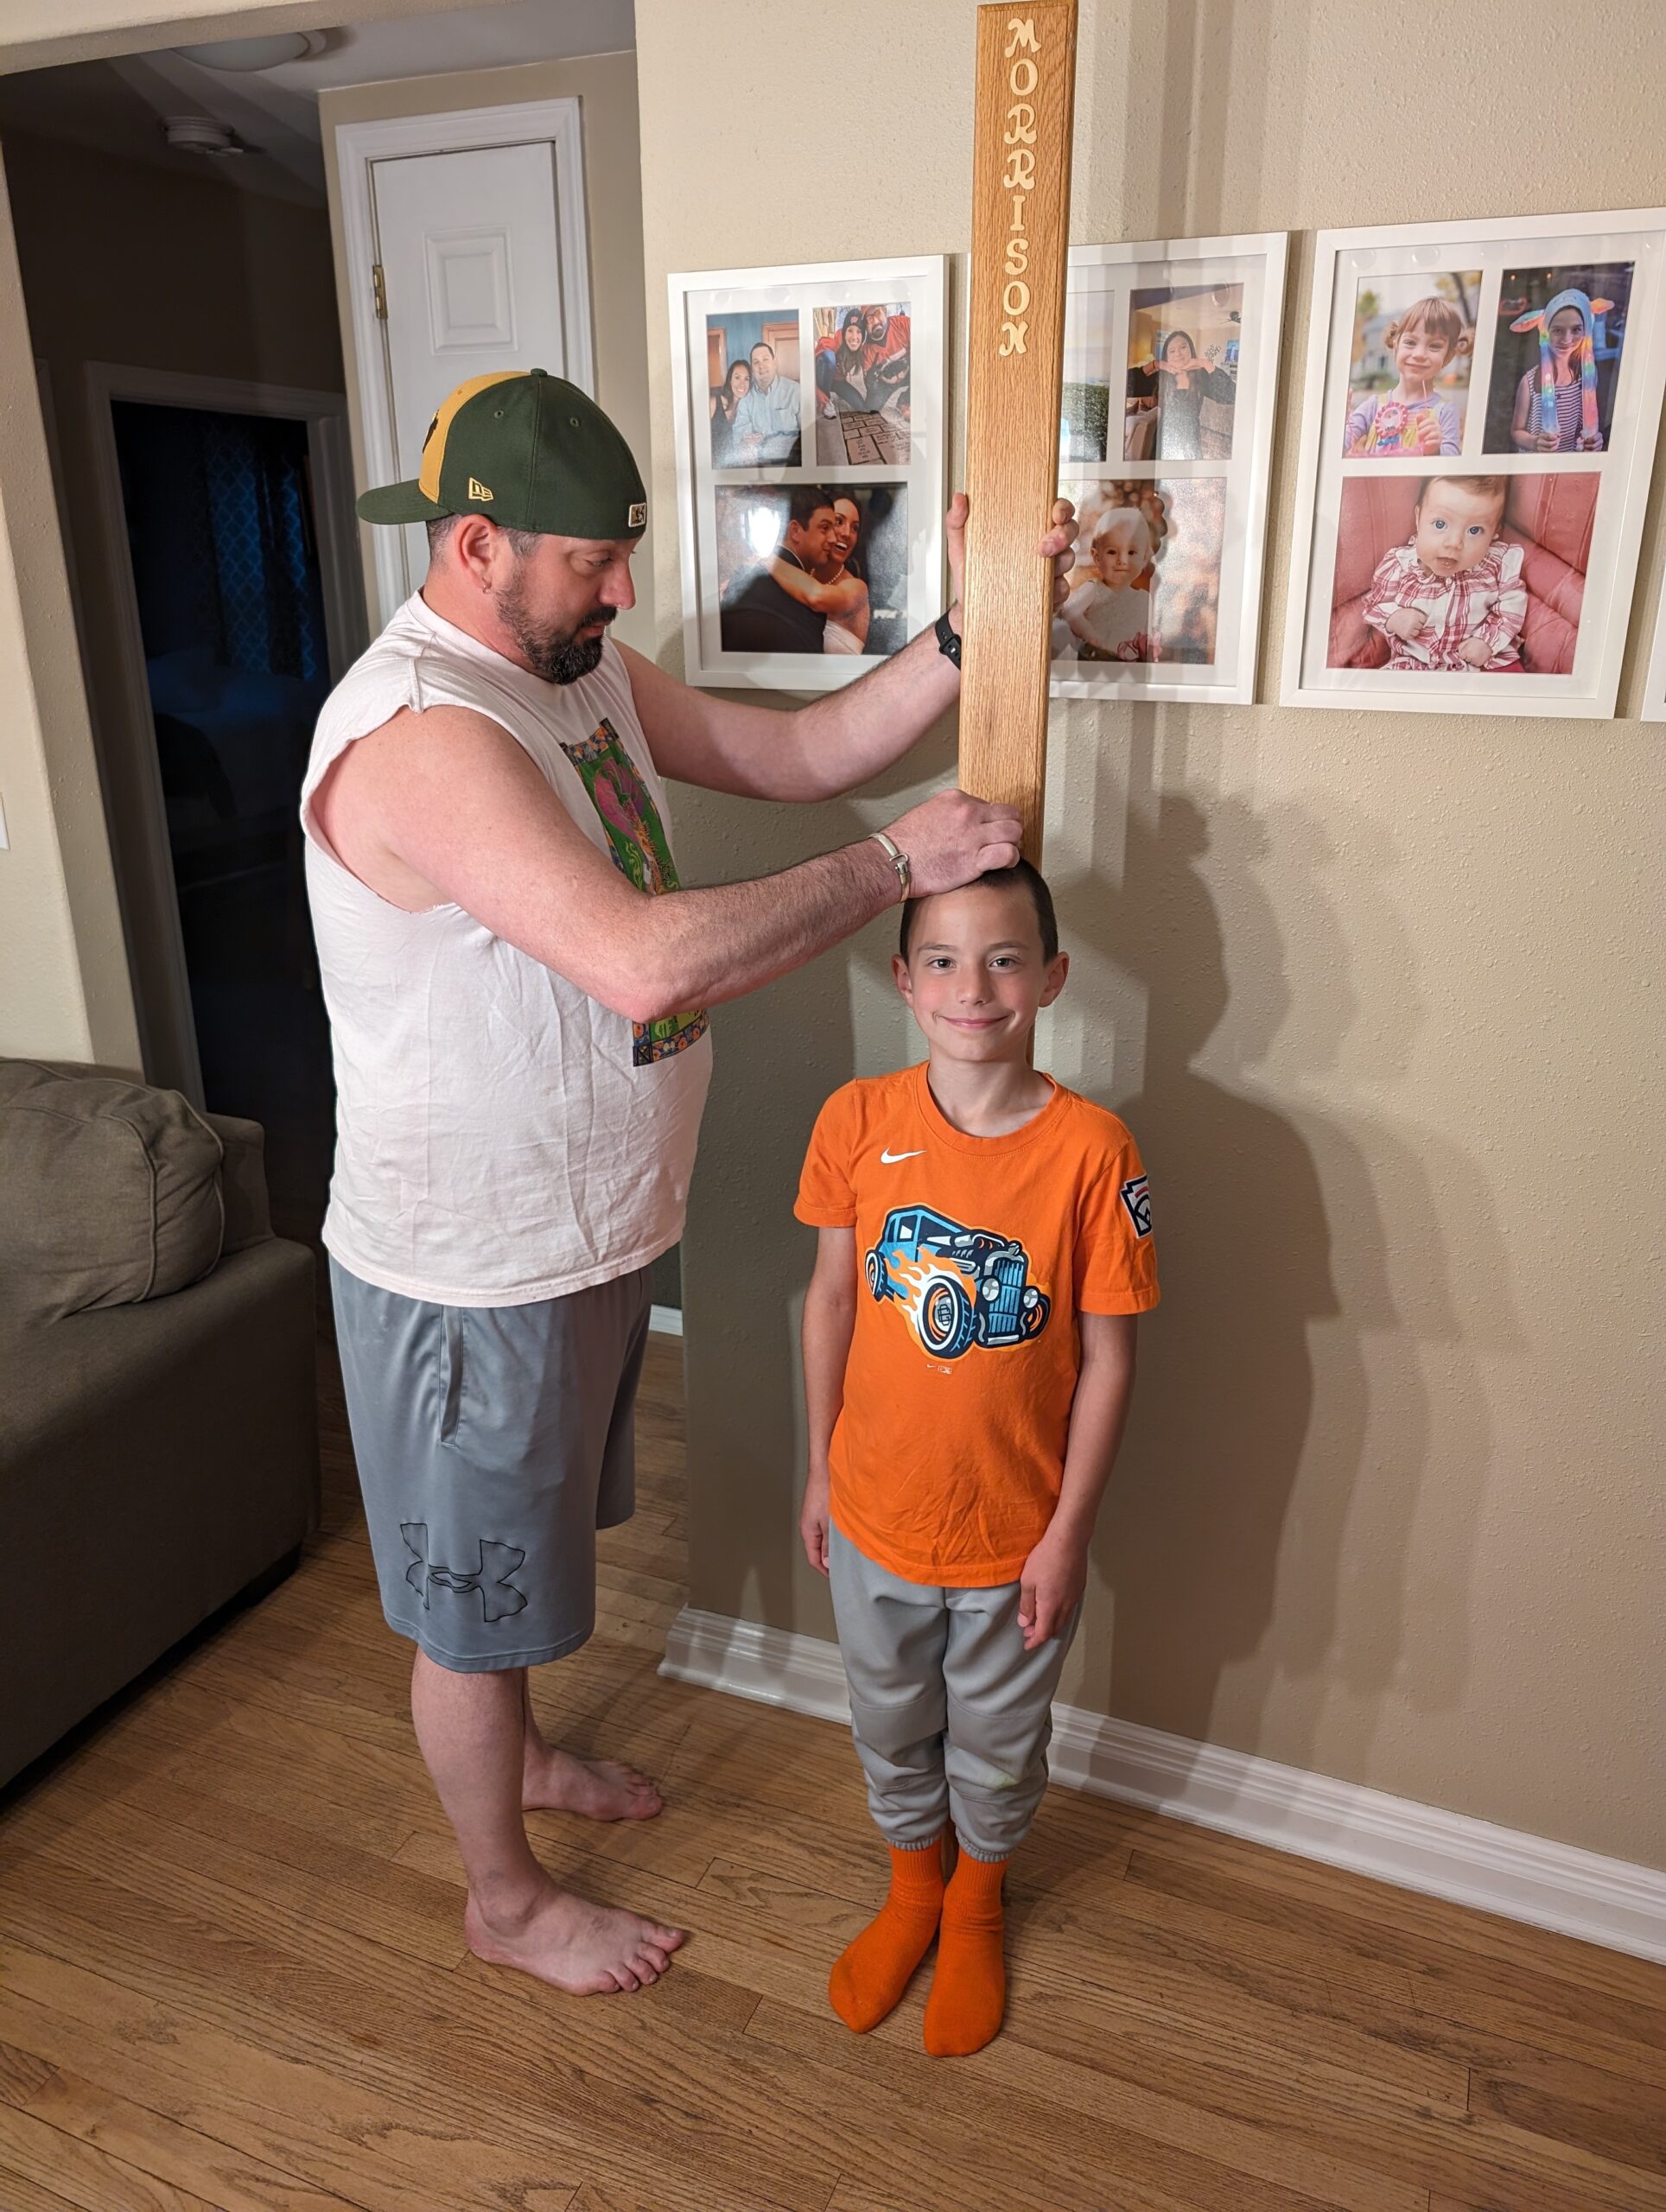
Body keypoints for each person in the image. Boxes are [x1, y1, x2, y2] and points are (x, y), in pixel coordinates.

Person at [301, 365, 1078, 2003]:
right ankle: (505, 1902)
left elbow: (788, 755)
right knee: (470, 1609)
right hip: (469, 1273)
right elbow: (643, 963)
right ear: (477, 547)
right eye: (593, 562)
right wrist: (896, 863)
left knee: (520, 1573)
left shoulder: (566, 664)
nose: (621, 592)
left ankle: (522, 1761)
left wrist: (968, 631)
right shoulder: (421, 734)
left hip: (586, 1236)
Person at [796, 861, 1157, 2056]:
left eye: (1005, 959)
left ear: (1051, 978)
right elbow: (831, 1303)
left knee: (1000, 1744)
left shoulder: (1095, 1151)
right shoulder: (856, 1121)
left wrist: (1069, 1535)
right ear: (904, 981)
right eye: (944, 960)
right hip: (873, 1513)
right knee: (888, 1716)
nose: (973, 987)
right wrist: (817, 1469)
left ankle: (977, 1902)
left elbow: (1108, 1360)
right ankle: (913, 1887)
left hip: (1015, 1536)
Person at [1361, 474, 1526, 671]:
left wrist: (1488, 642)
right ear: (1418, 518)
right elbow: (1373, 604)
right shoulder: (1400, 565)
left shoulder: (1498, 565)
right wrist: (1393, 618)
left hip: (1482, 661)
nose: (1454, 543)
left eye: (1474, 530)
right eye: (1440, 524)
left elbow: (1511, 607)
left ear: (1494, 532)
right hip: (1414, 663)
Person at [721, 484, 849, 654]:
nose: (833, 538)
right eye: (824, 528)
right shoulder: (800, 601)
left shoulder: (745, 577)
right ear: (795, 531)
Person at [1344, 296, 1469, 457]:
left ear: (1448, 356)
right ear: (1396, 345)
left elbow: (1451, 465)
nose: (1419, 354)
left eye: (1435, 346)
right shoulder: (1373, 407)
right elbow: (1337, 446)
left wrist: (1435, 451)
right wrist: (1341, 418)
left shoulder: (1445, 411)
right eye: (1410, 343)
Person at [765, 490, 870, 655]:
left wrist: (767, 561)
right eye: (838, 521)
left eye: (855, 528)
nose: (846, 533)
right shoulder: (798, 575)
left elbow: (817, 597)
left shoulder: (857, 589)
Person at [1510, 293, 1608, 453]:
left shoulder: (1586, 377)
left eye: (1576, 329)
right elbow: (1516, 431)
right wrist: (1534, 443)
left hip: (1571, 465)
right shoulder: (1529, 383)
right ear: (1545, 331)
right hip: (1536, 465)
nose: (1566, 339)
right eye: (1557, 331)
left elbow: (1584, 428)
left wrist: (1594, 440)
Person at [1059, 505, 1158, 662]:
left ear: (1145, 558)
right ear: (1096, 557)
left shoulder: (1144, 599)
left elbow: (1146, 635)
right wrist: (1090, 635)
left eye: (1131, 552)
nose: (1122, 561)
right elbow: (1069, 612)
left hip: (1129, 666)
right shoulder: (1094, 589)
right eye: (1112, 552)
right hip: (1096, 662)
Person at [1124, 328, 1236, 460]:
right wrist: (1155, 364)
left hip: (1191, 442)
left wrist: (1204, 363)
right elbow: (1126, 385)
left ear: (1191, 350)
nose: (1178, 354)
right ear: (1167, 356)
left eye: (1183, 347)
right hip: (1164, 442)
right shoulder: (1161, 378)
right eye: (1172, 351)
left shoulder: (1200, 376)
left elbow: (1230, 395)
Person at [732, 340, 802, 463]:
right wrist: (746, 443)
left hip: (793, 463)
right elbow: (739, 438)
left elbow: (809, 435)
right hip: (760, 466)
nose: (761, 366)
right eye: (756, 362)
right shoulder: (746, 400)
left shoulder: (796, 391)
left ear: (775, 362)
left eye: (765, 359)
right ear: (752, 369)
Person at [709, 357, 751, 466]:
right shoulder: (714, 403)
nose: (742, 384)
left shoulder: (747, 413)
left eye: (746, 379)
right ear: (730, 380)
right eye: (737, 378)